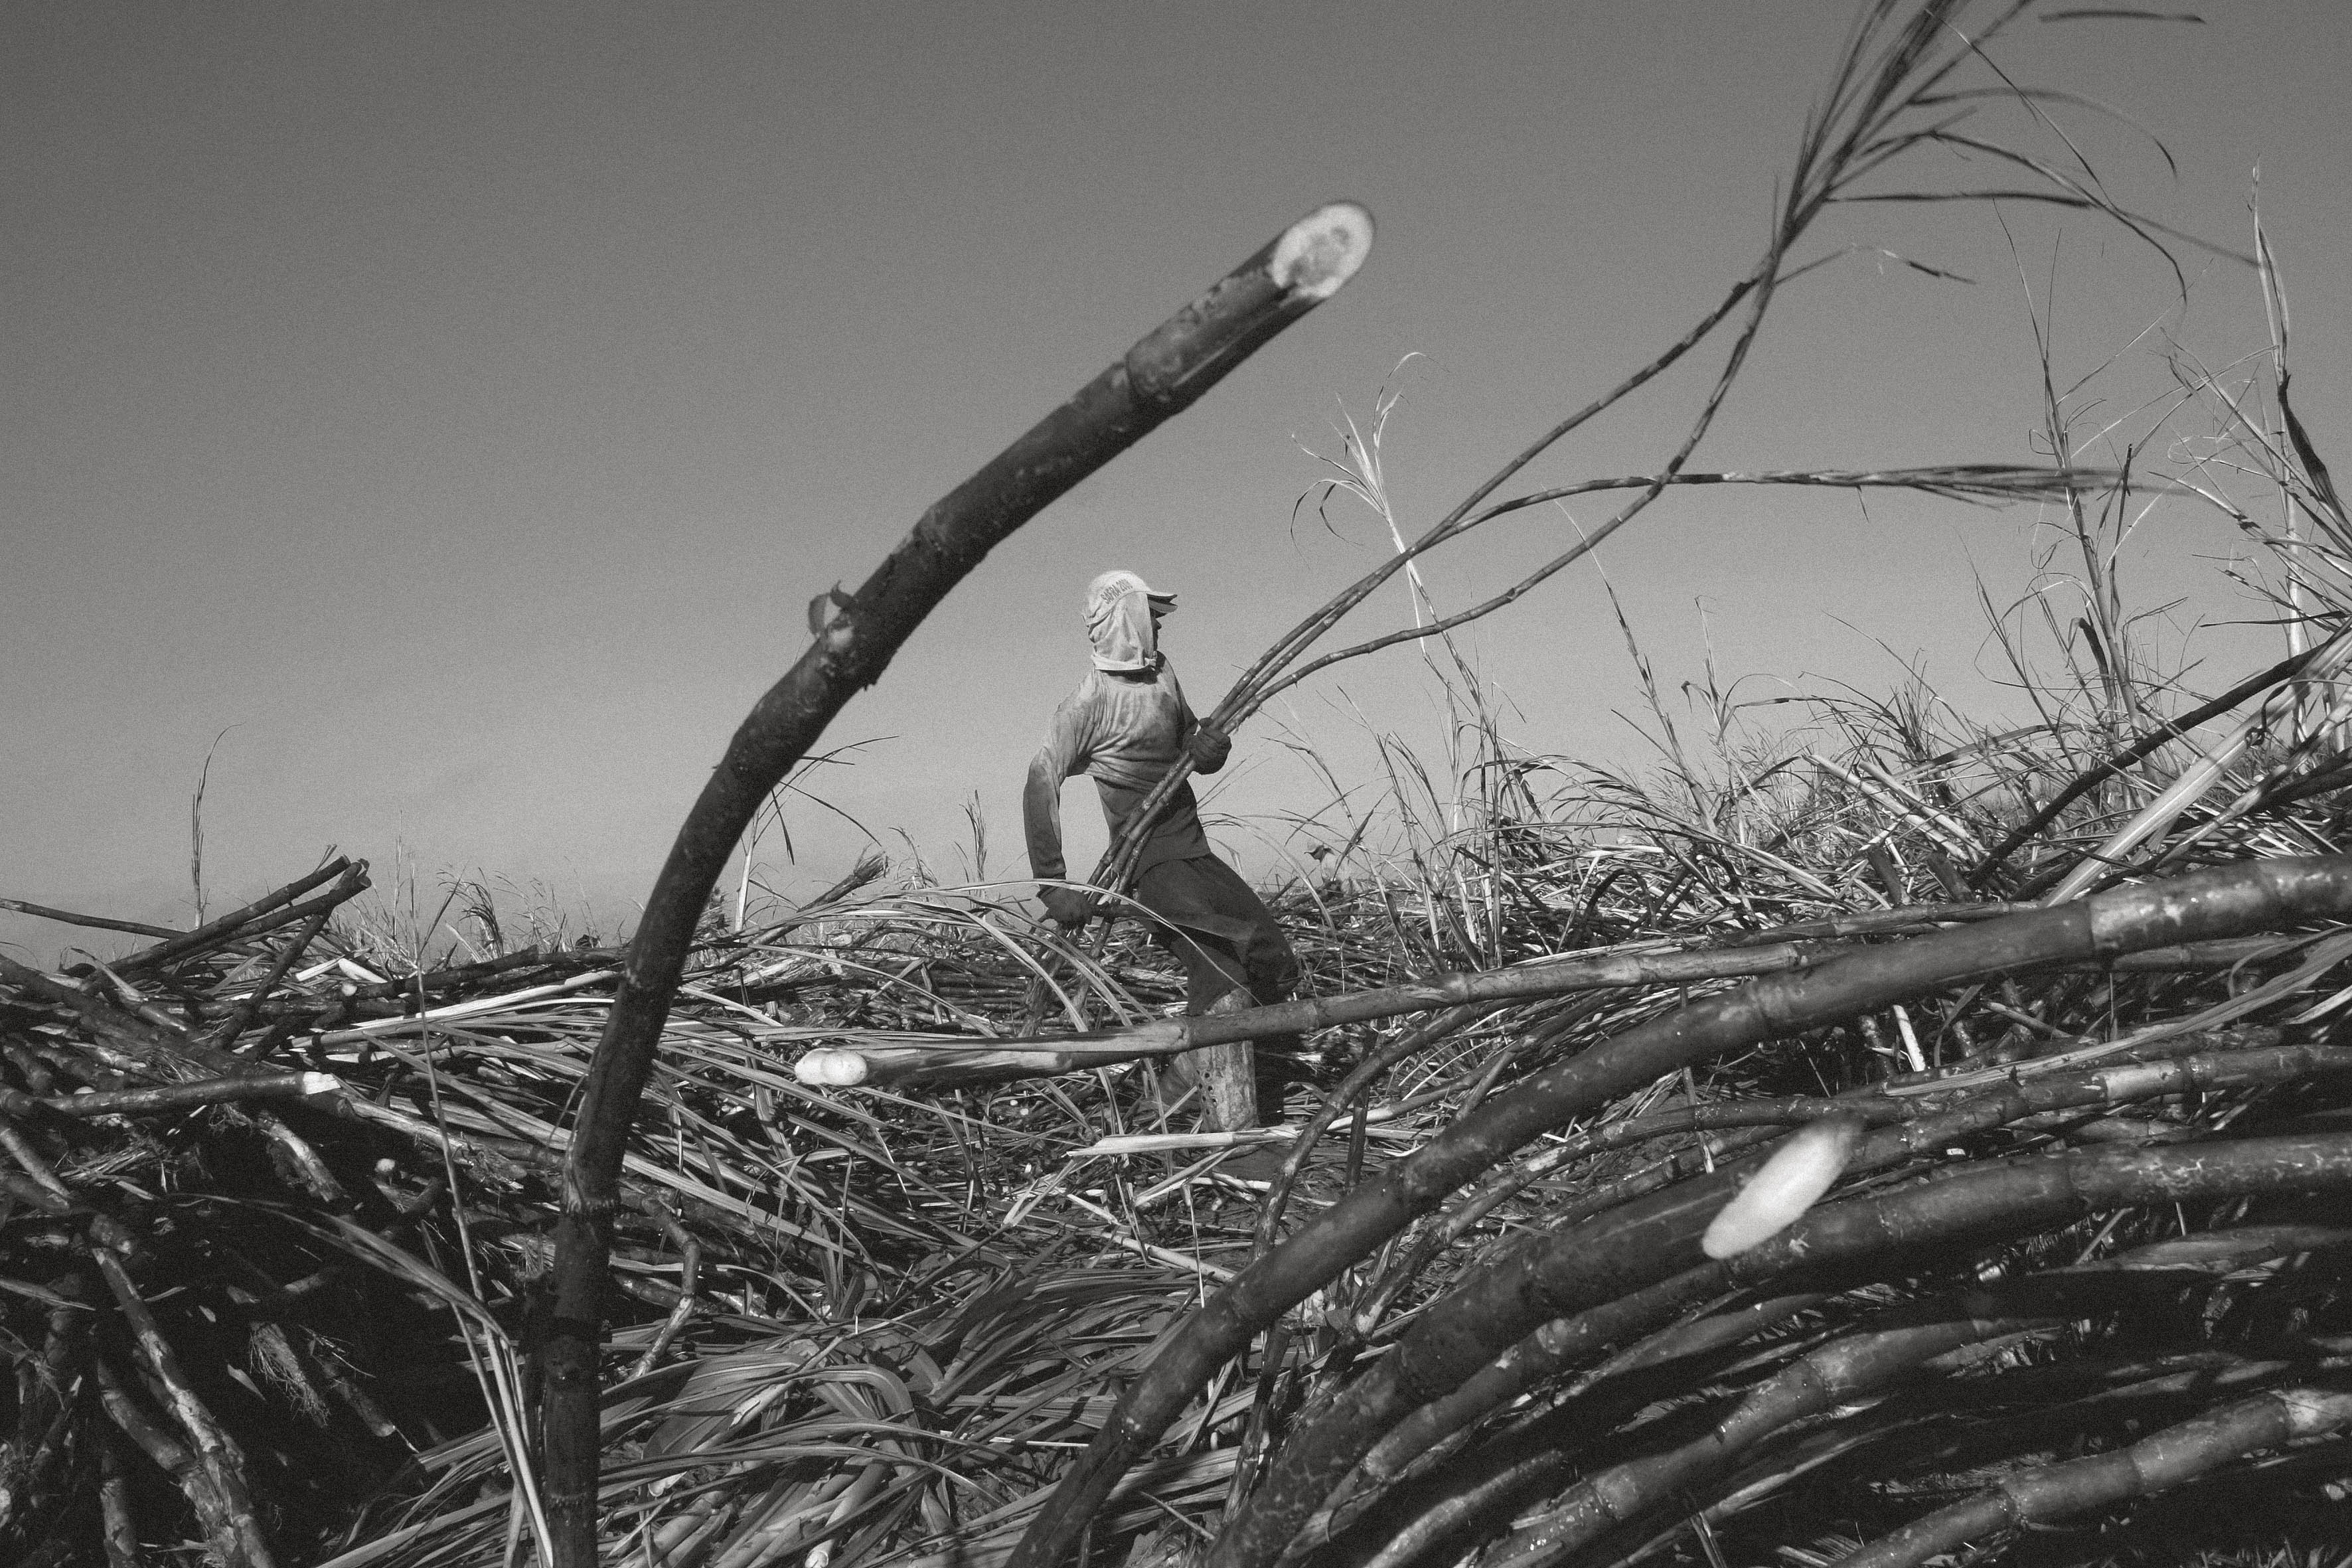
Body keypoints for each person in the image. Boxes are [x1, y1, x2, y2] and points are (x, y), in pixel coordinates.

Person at [1023, 570, 1301, 1130]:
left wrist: (1210, 749)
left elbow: (1191, 743)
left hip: (1194, 850)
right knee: (1222, 976)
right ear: (1125, 619)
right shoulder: (1087, 703)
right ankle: (1198, 1113)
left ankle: (1189, 1080)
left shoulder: (1163, 675)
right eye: (1148, 613)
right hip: (1153, 862)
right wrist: (1053, 883)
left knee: (1273, 960)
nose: (1157, 622)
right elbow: (1040, 783)